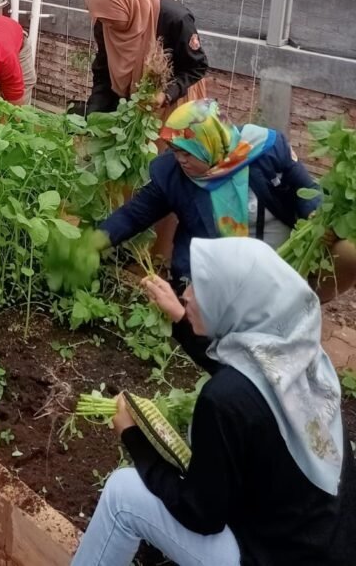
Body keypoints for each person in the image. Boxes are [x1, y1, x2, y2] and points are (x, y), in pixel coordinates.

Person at [71, 237, 356, 566]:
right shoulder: (300, 354)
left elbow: (199, 514)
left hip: (274, 555)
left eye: (200, 289)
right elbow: (244, 373)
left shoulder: (224, 400)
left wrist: (132, 437)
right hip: (325, 544)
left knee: (123, 494)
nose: (187, 294)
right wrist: (181, 318)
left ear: (233, 303)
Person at [95, 98, 356, 301]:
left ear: (212, 141)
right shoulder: (172, 174)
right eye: (175, 152)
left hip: (282, 258)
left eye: (188, 153)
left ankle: (303, 301)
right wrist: (92, 244)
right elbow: (133, 215)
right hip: (219, 270)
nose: (180, 160)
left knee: (349, 252)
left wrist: (314, 215)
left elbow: (306, 189)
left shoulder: (266, 149)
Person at [74, 0, 208, 116]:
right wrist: (92, 117)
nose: (107, 26)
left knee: (164, 139)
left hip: (173, 103)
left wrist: (166, 94)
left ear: (124, 4)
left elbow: (197, 66)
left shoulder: (174, 18)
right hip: (130, 101)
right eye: (103, 20)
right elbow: (104, 71)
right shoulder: (104, 23)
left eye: (111, 20)